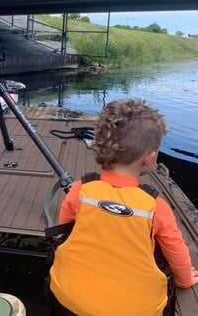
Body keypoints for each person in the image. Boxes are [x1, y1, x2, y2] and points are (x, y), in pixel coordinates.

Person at [49, 98, 198, 316]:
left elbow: (64, 231)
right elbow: (177, 253)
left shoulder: (80, 189)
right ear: (150, 159)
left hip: (68, 296)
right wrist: (184, 280)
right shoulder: (156, 206)